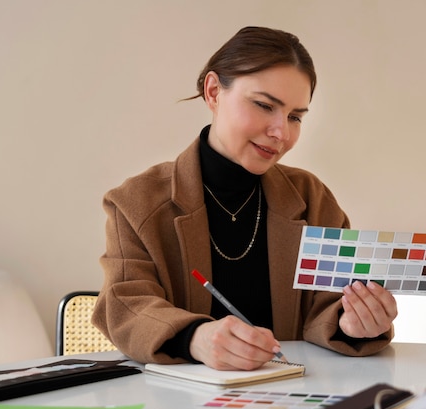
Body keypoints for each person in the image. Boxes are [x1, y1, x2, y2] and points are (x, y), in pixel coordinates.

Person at [92, 26, 397, 371]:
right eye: (264, 105)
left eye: (295, 117)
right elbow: (125, 305)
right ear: (213, 92)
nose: (281, 132)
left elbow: (330, 302)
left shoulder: (312, 197)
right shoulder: (137, 201)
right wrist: (197, 337)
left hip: (295, 396)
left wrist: (353, 323)